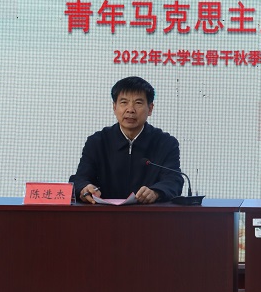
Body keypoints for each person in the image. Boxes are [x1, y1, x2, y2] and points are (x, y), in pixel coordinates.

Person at [70, 76, 183, 204]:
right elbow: (80, 178)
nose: (130, 110)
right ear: (114, 107)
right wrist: (84, 188)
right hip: (104, 213)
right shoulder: (97, 142)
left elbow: (173, 180)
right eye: (124, 102)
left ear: (150, 108)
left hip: (148, 213)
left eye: (138, 103)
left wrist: (156, 192)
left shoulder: (166, 143)